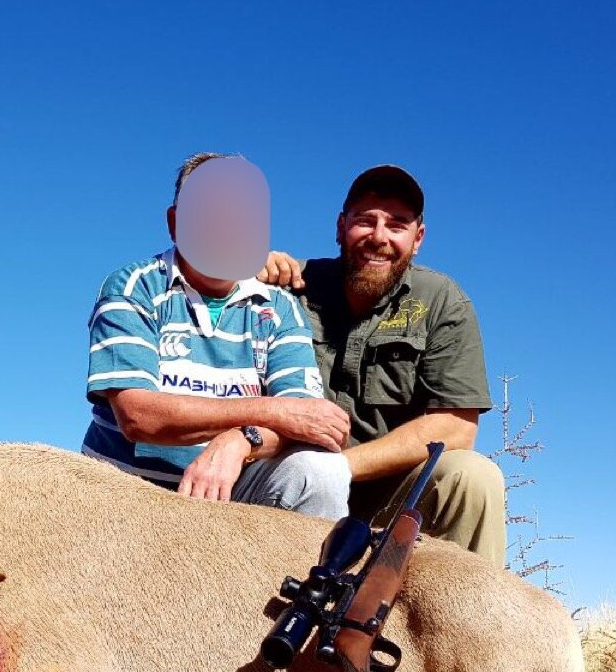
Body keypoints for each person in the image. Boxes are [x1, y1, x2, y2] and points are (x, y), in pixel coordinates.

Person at [82, 153, 353, 519]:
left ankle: (317, 577)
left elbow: (307, 424)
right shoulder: (134, 287)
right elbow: (138, 417)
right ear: (175, 223)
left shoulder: (282, 309)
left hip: (232, 491)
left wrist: (242, 440)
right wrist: (275, 411)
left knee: (322, 471)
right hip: (127, 494)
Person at [259, 165, 506, 565]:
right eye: (365, 220)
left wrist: (336, 469)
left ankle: (471, 621)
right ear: (341, 227)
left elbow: (457, 427)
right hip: (286, 480)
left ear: (418, 238)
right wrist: (245, 270)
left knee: (472, 477)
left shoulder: (442, 301)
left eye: (397, 224)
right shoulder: (288, 285)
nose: (379, 237)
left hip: (387, 502)